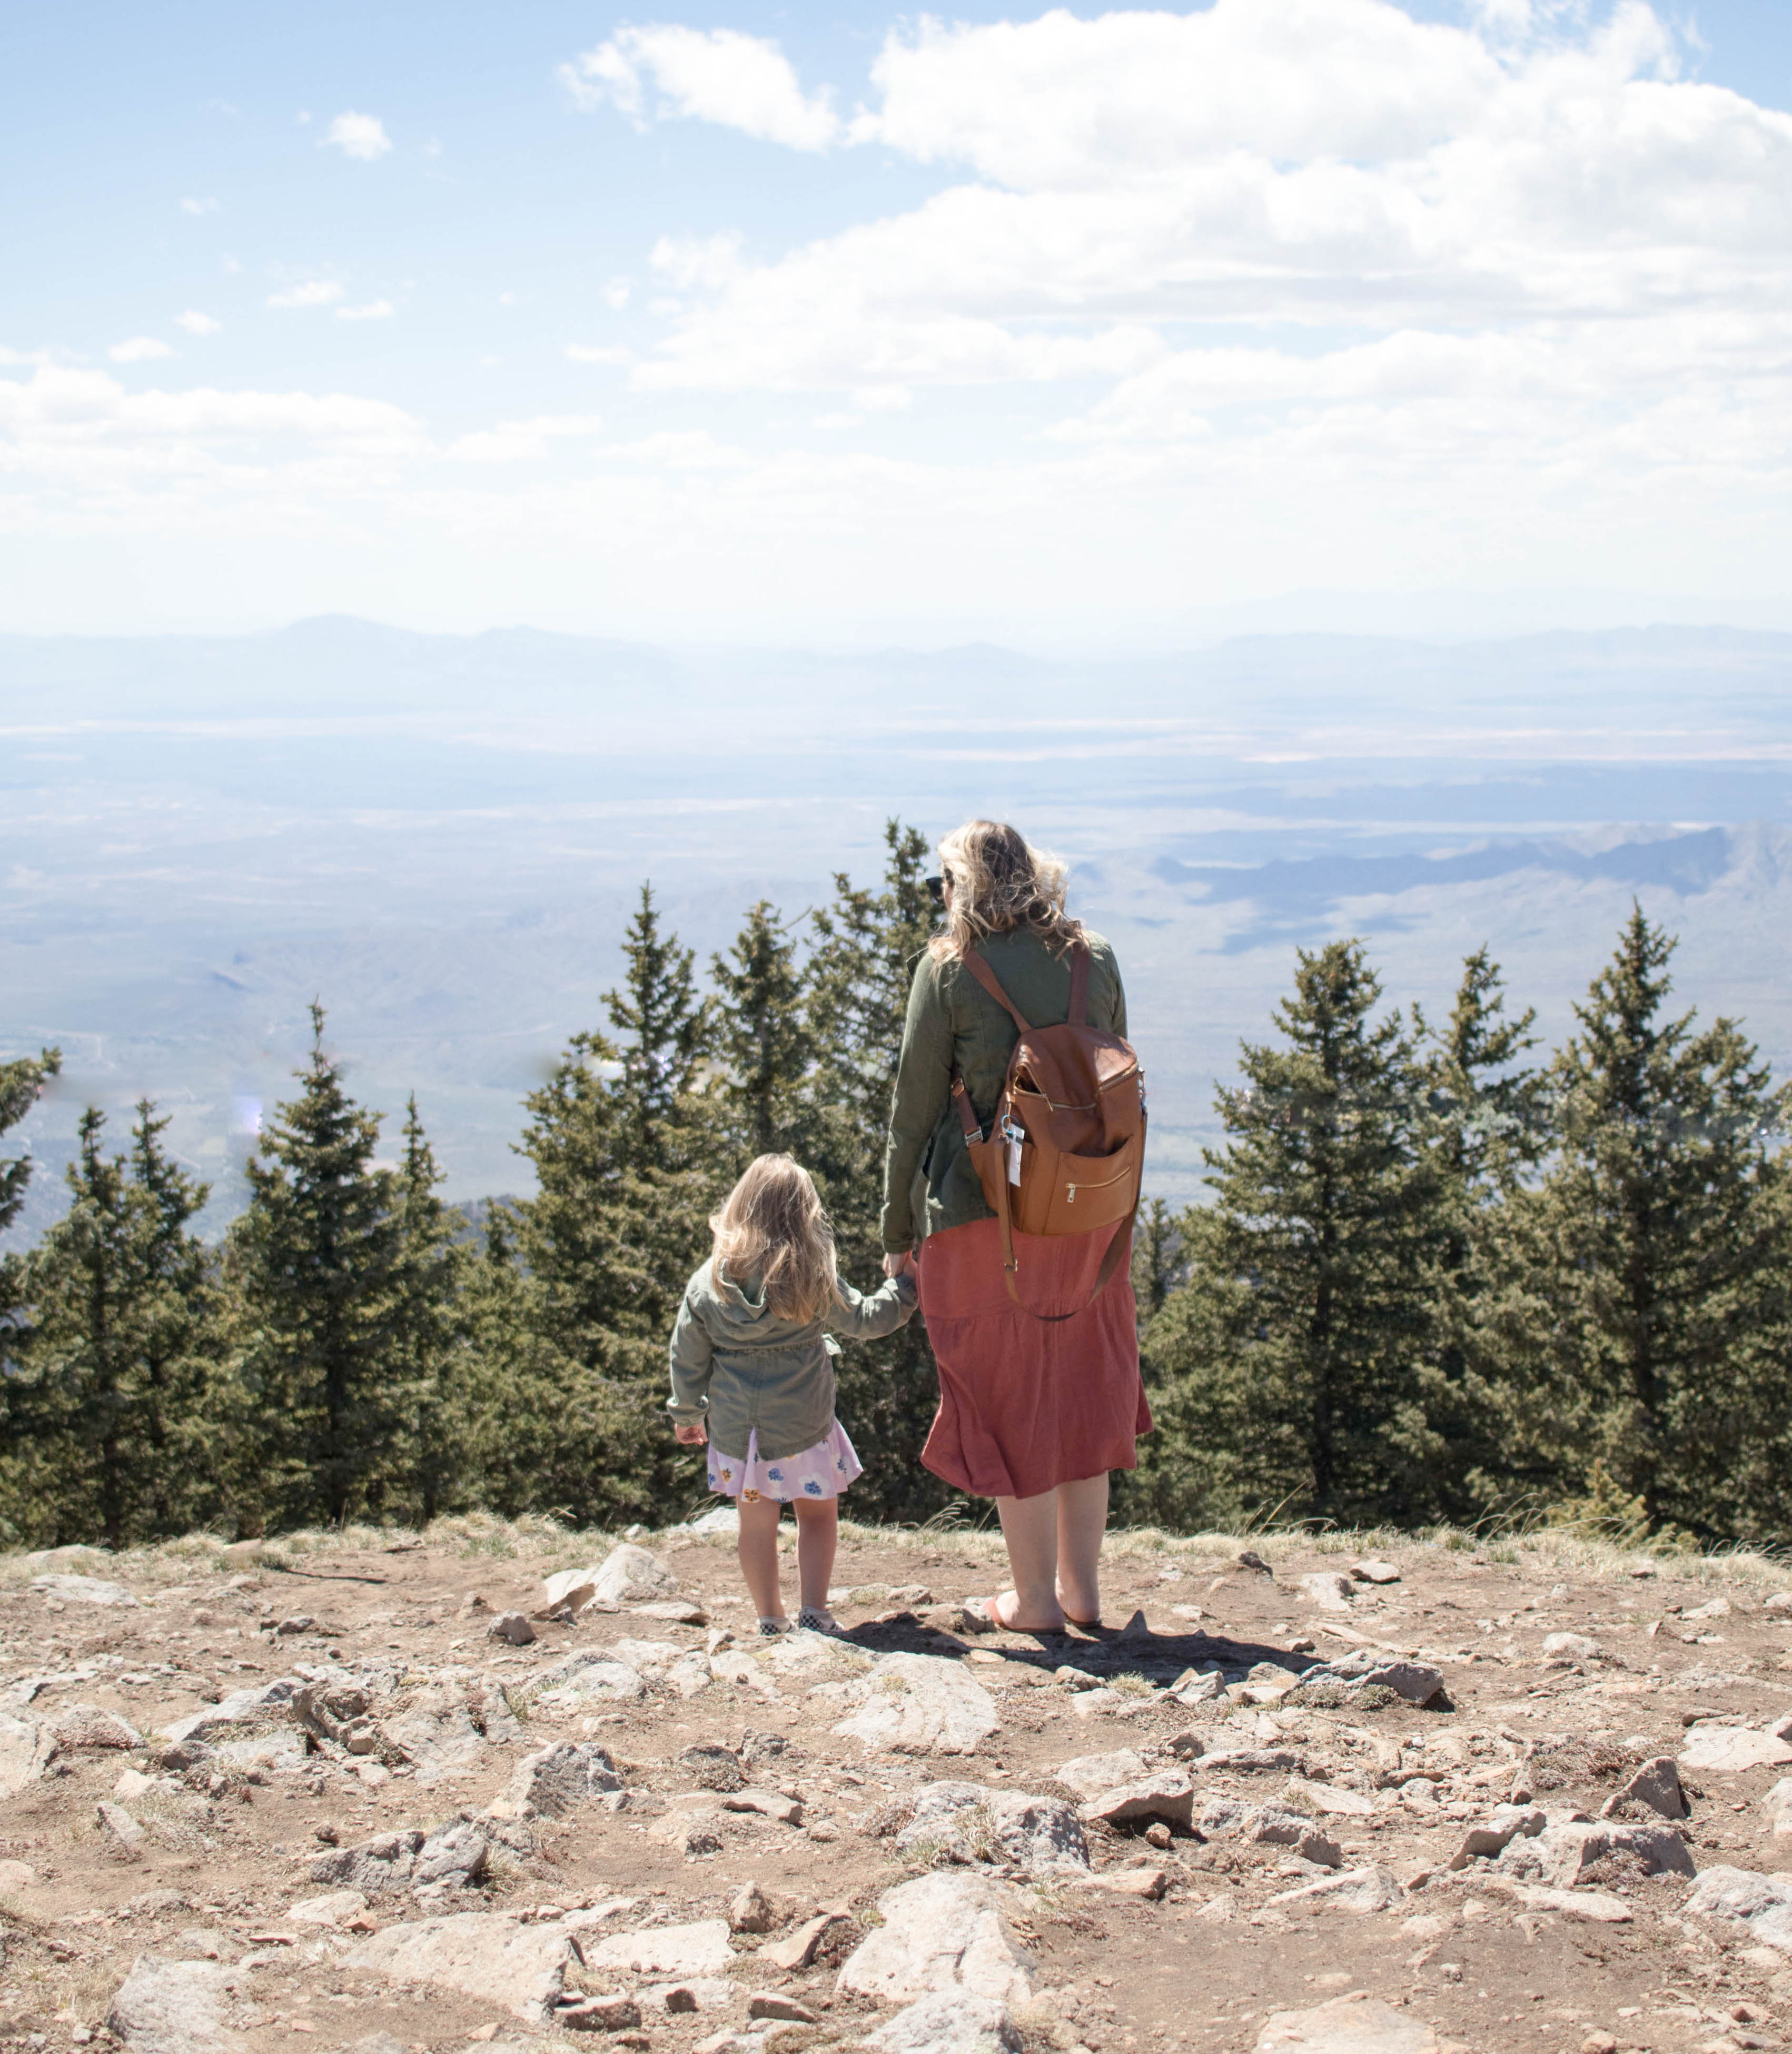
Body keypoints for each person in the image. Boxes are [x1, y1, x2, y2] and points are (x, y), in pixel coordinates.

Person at [882, 819, 1150, 1634]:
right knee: (1079, 1393)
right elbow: (1115, 1071)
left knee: (1006, 1400)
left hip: (979, 1214)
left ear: (961, 883)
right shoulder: (1091, 956)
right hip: (1082, 1207)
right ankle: (1082, 1593)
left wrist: (896, 1226)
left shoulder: (949, 969)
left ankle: (1032, 1603)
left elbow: (912, 1108)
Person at [668, 1153, 918, 1635]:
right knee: (818, 1515)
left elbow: (687, 1355)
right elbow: (867, 1319)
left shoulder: (708, 1281)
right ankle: (814, 1611)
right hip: (803, 1426)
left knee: (755, 1524)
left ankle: (768, 1617)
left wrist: (686, 1413)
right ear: (805, 1214)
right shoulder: (811, 1274)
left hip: (740, 1431)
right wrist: (904, 1287)